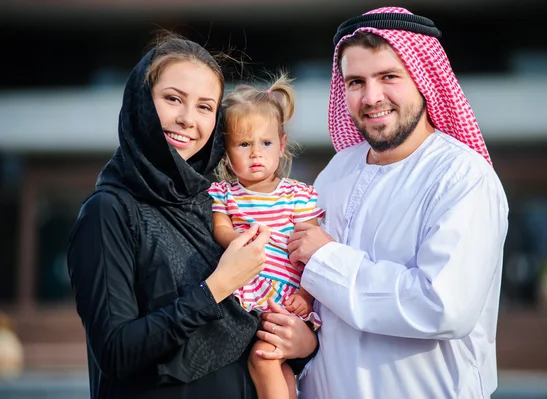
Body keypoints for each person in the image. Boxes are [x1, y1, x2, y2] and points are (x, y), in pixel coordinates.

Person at [67, 35, 317, 399]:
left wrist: (303, 343)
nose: (187, 119)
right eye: (172, 99)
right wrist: (217, 286)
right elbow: (117, 352)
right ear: (141, 100)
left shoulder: (215, 205)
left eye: (205, 107)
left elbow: (258, 324)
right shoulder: (109, 212)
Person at [289, 7, 509, 399]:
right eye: (355, 82)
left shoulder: (462, 177)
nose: (372, 97)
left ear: (423, 79)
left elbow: (440, 305)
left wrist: (327, 260)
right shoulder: (336, 173)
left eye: (389, 76)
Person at [208, 74, 323, 399]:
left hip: (288, 299)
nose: (256, 153)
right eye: (244, 144)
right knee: (275, 363)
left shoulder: (298, 196)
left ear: (282, 145)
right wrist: (239, 242)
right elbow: (221, 228)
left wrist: (306, 296)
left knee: (263, 358)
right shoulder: (224, 194)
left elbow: (311, 254)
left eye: (266, 143)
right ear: (227, 151)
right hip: (247, 297)